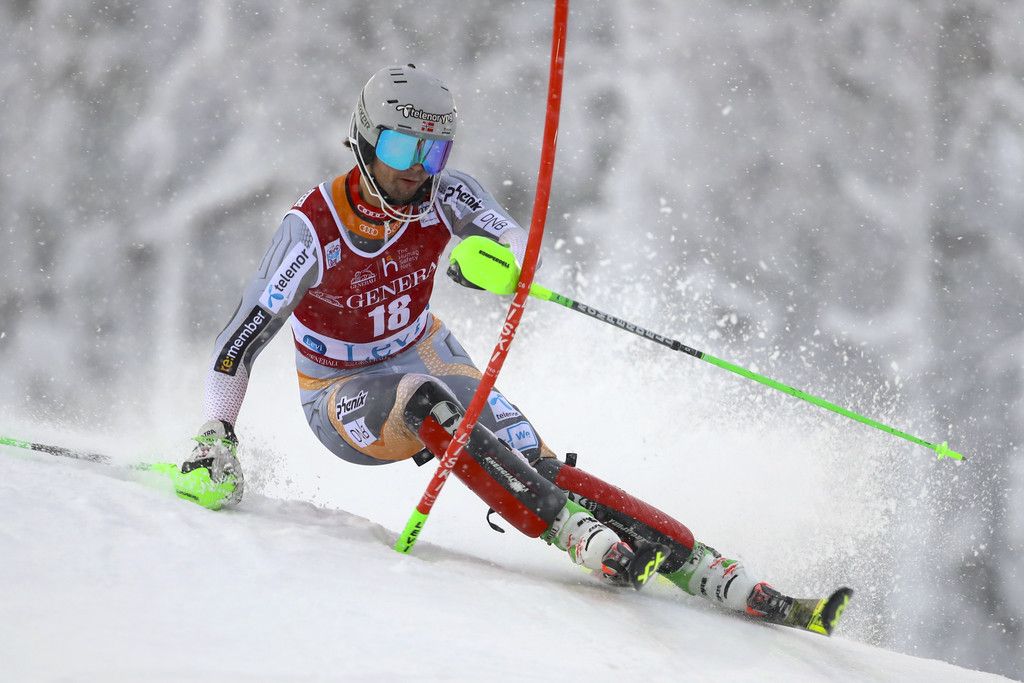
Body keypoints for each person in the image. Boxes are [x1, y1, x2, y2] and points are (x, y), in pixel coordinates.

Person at [177, 64, 851, 635]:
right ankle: (572, 532)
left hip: (424, 348)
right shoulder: (314, 229)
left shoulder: (447, 193)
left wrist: (493, 263)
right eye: (402, 150)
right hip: (340, 391)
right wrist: (216, 432)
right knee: (424, 402)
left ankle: (704, 566)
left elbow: (513, 244)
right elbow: (239, 339)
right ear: (365, 138)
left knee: (534, 459)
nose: (416, 172)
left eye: (432, 153)